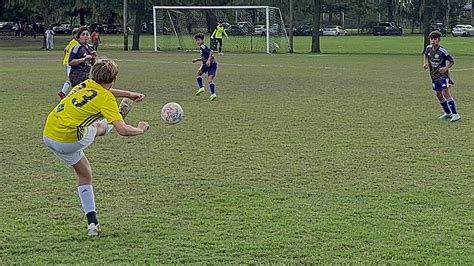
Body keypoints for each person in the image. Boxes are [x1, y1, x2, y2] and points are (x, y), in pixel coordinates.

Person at [43, 58, 150, 237]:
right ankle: (118, 114)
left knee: (85, 174)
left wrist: (129, 94)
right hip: (70, 140)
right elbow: (123, 131)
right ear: (114, 78)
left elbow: (104, 90)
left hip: (49, 134)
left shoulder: (84, 84)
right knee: (98, 128)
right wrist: (140, 129)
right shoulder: (106, 99)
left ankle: (93, 223)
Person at [423, 31, 460, 122]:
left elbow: (452, 61)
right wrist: (425, 63)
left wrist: (446, 68)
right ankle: (448, 113)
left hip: (443, 76)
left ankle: (455, 114)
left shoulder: (442, 51)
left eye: (435, 39)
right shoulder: (428, 48)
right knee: (438, 95)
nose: (433, 41)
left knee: (445, 93)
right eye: (431, 39)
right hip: (434, 76)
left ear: (439, 40)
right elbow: (425, 55)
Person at [192, 33, 218, 101]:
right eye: (196, 40)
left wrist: (209, 61)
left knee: (198, 74)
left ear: (202, 40)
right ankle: (213, 94)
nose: (197, 41)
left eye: (199, 40)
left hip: (209, 64)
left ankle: (201, 88)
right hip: (213, 64)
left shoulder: (202, 46)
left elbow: (211, 51)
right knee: (210, 80)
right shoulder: (202, 47)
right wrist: (197, 60)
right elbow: (205, 57)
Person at [58, 28, 79, 99]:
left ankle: (64, 92)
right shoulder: (75, 43)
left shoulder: (72, 42)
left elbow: (65, 50)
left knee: (73, 78)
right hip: (70, 63)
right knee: (71, 79)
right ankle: (63, 92)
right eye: (77, 34)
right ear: (73, 35)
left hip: (67, 62)